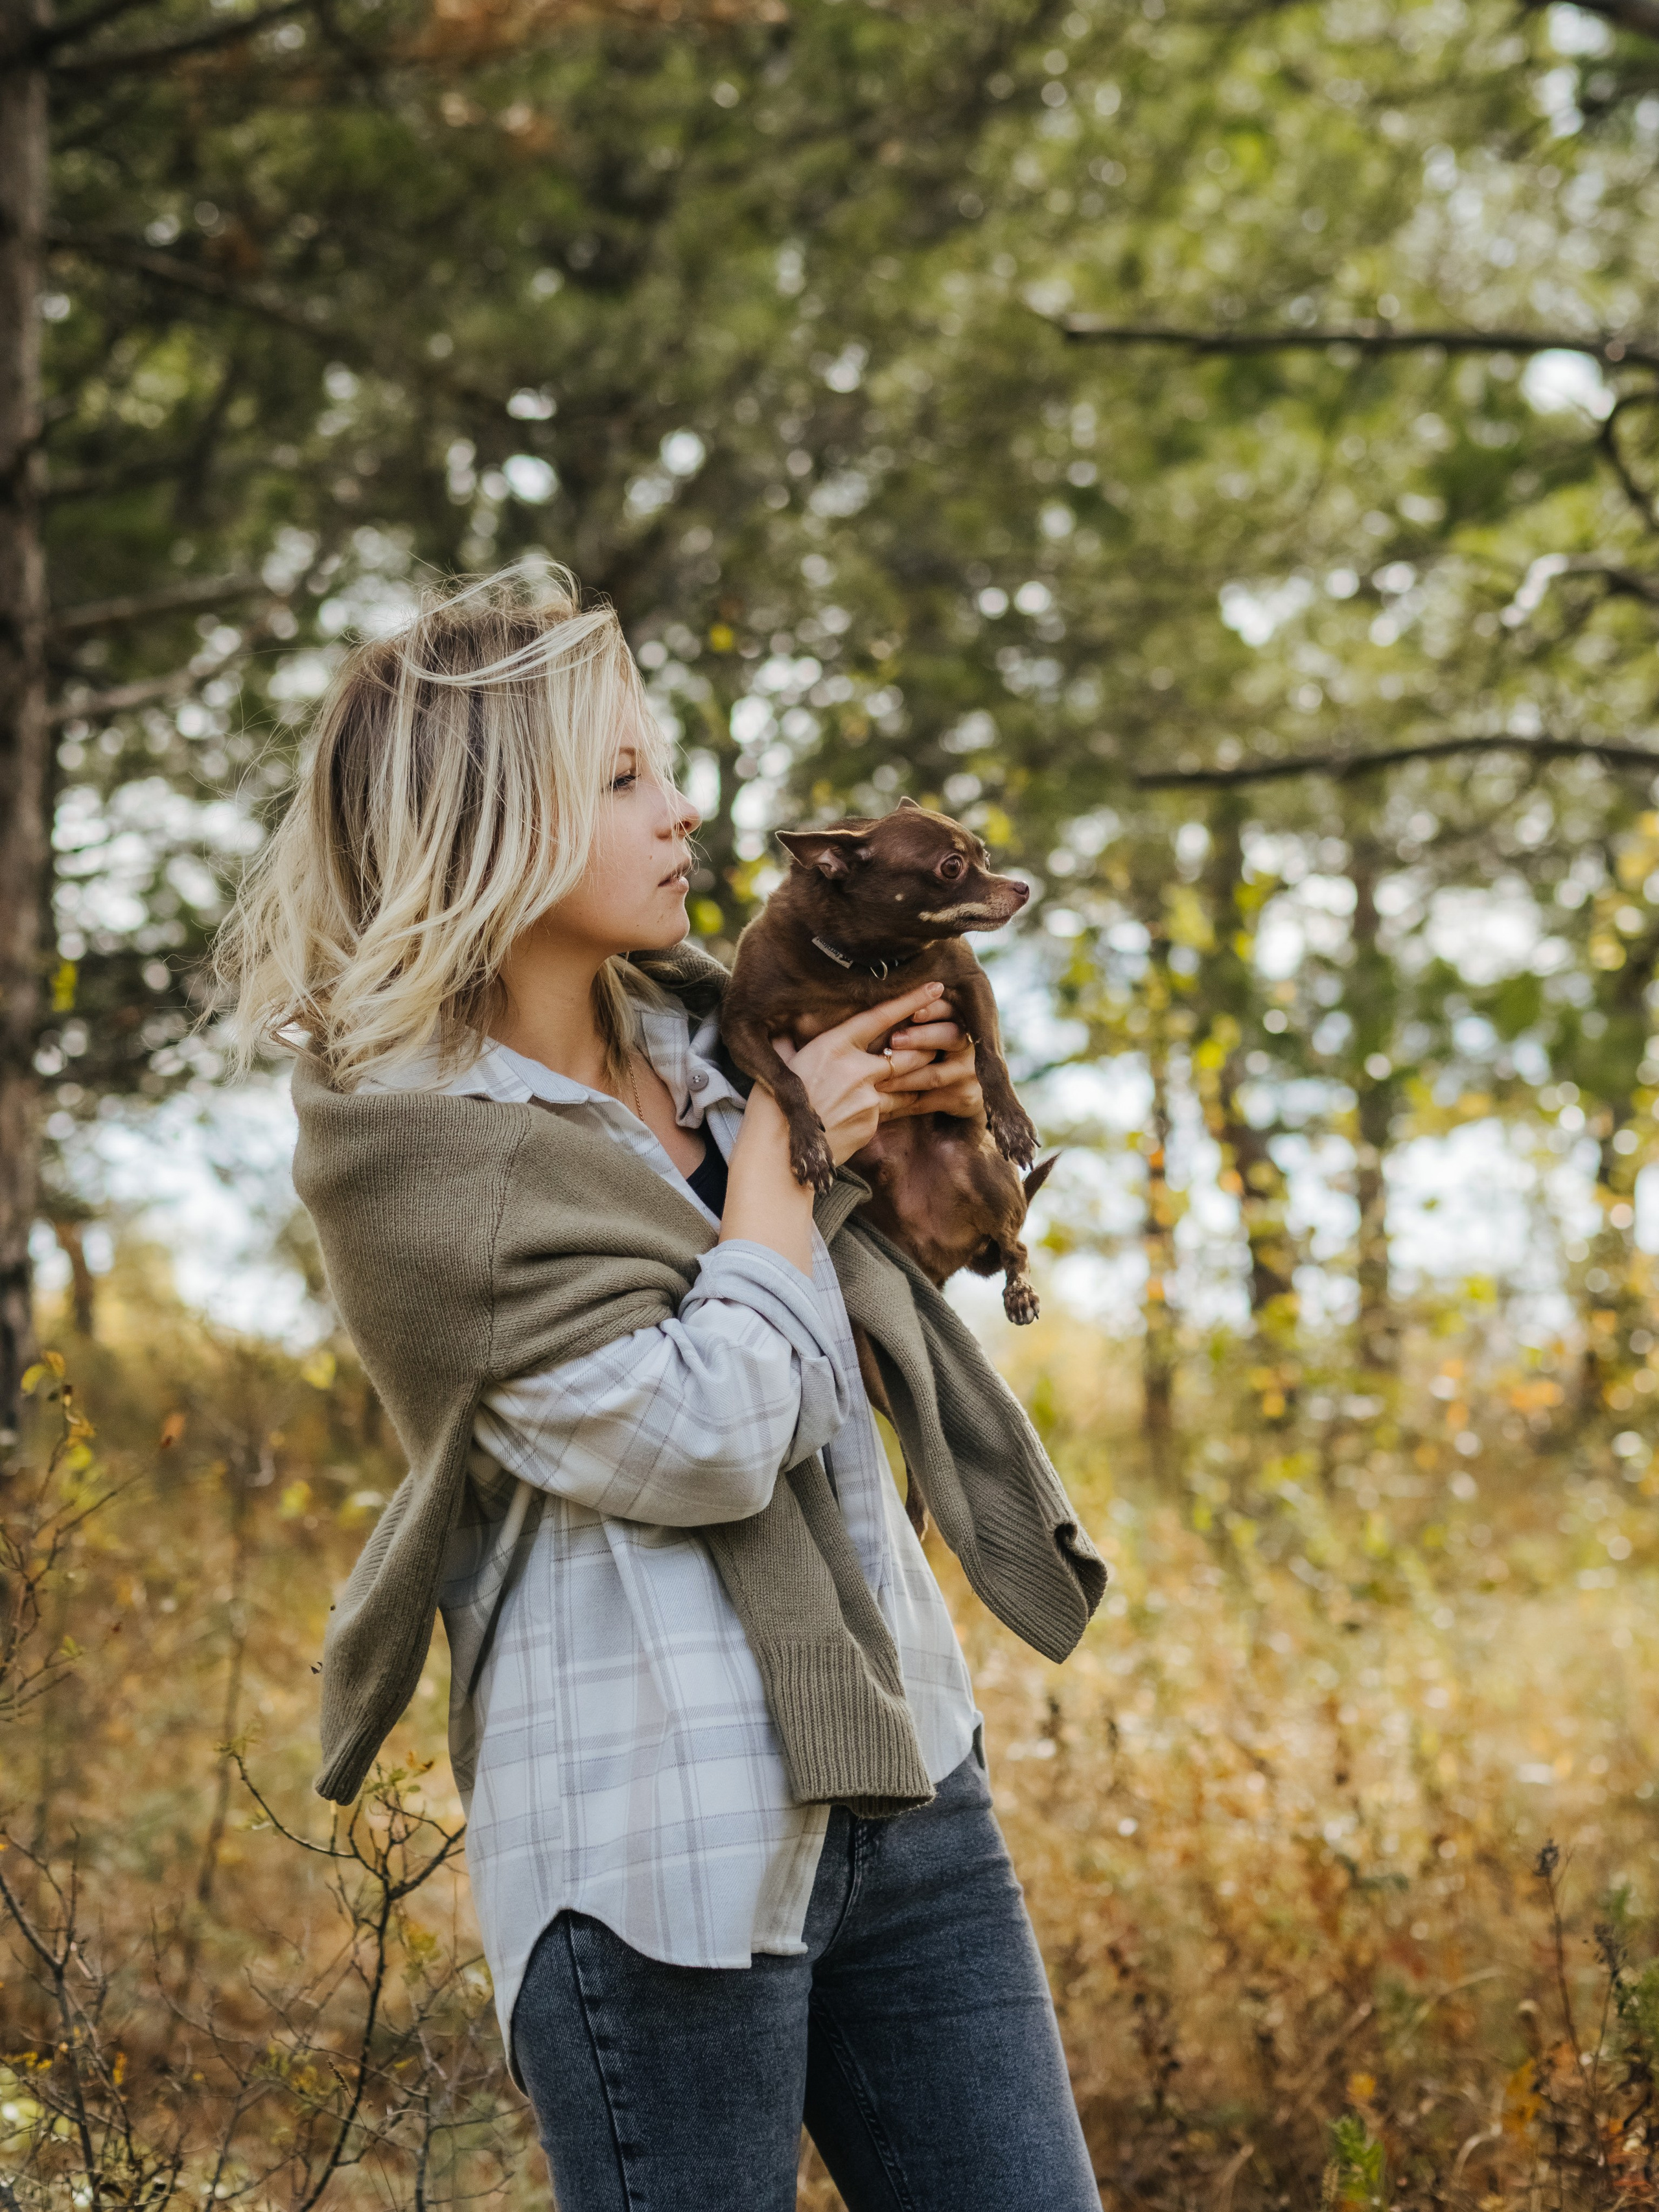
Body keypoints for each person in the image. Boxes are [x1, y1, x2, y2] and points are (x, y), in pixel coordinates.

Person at [216, 565, 1104, 2211]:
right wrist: (787, 1148)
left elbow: (858, 1334)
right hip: (656, 1845)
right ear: (494, 825)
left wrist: (922, 1131)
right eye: (623, 779)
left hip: (906, 1778)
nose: (682, 810)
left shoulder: (721, 1037)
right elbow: (700, 1438)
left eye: (662, 767)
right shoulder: (421, 1160)